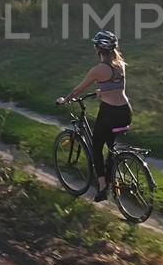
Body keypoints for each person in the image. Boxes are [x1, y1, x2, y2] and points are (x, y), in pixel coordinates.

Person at [55, 30, 131, 201]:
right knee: (110, 146)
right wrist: (101, 92)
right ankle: (113, 178)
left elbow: (78, 90)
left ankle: (103, 187)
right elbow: (116, 86)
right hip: (125, 111)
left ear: (98, 49)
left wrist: (65, 100)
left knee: (96, 146)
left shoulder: (98, 70)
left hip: (110, 113)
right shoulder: (121, 65)